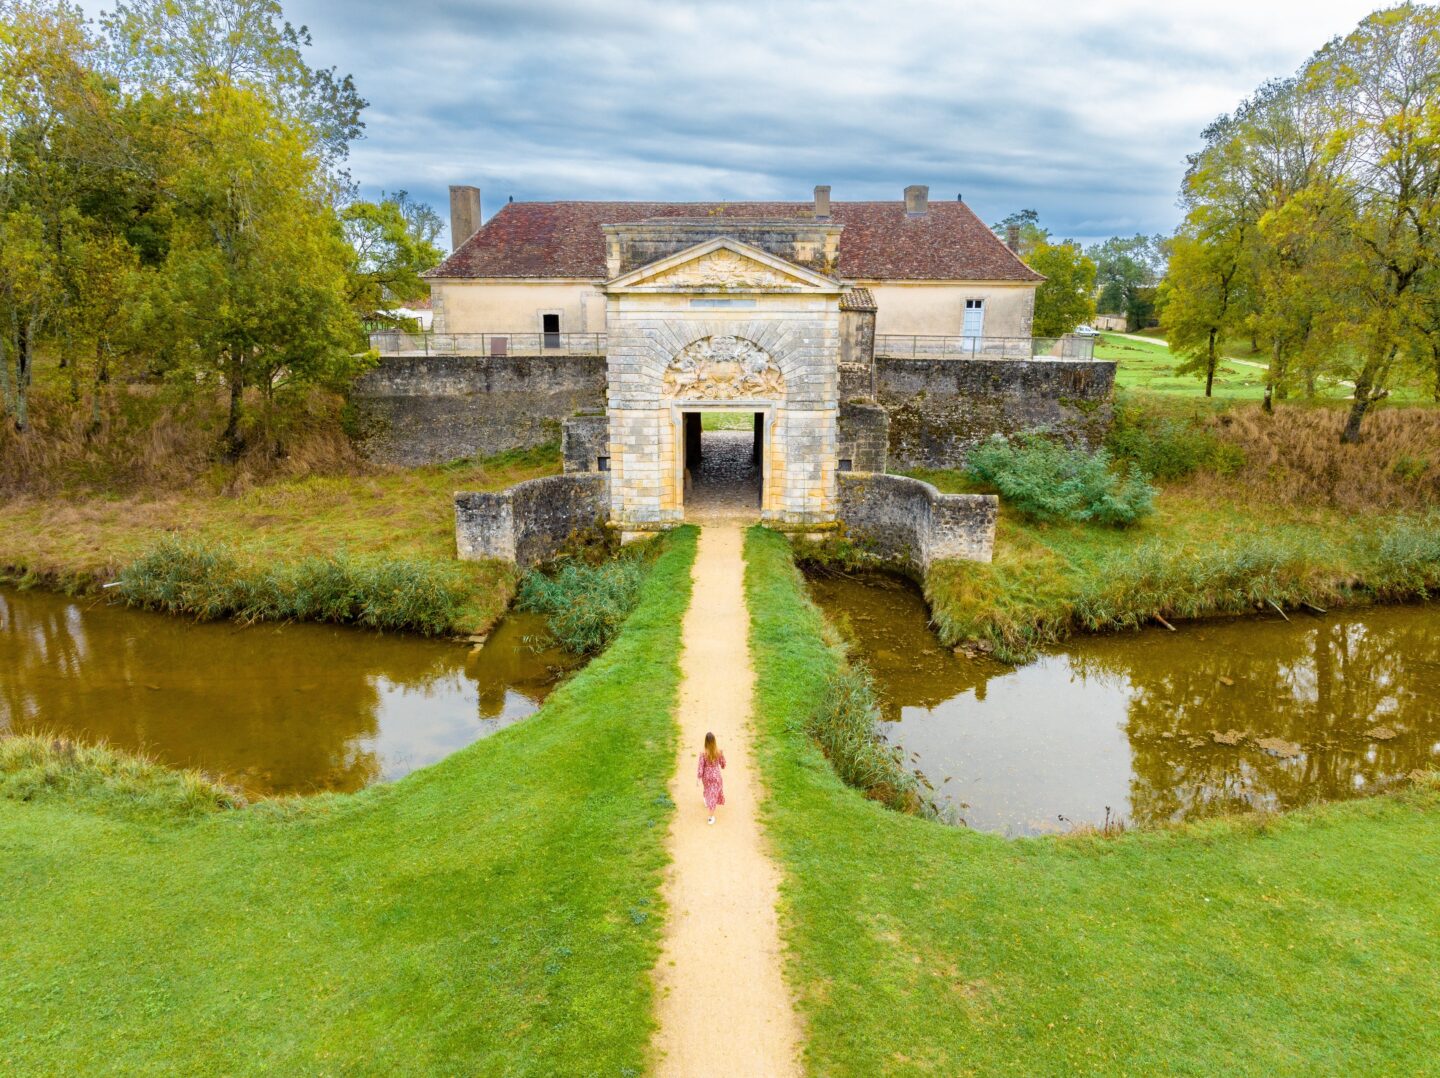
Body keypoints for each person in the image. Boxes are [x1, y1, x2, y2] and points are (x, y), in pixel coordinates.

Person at [696, 731, 726, 825]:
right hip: (716, 776)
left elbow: (700, 767)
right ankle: (710, 817)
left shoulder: (703, 753)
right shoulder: (719, 752)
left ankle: (706, 799)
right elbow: (723, 764)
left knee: (707, 789)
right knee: (713, 794)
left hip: (706, 776)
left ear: (705, 741)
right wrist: (722, 764)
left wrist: (698, 778)